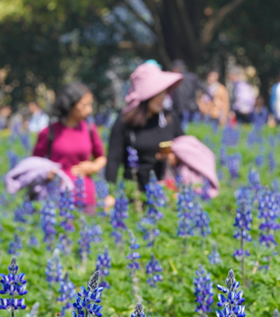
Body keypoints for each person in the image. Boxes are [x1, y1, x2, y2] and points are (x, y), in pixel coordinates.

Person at [105, 62, 184, 196]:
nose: (163, 98)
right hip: (135, 194)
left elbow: (183, 148)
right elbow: (113, 161)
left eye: (165, 92)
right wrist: (109, 194)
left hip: (166, 193)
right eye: (158, 93)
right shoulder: (125, 122)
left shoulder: (169, 119)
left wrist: (173, 157)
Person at [33, 82, 106, 210]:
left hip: (86, 197)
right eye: (84, 105)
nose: (89, 110)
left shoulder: (90, 129)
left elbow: (101, 157)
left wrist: (93, 167)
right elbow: (34, 163)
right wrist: (46, 173)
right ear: (70, 105)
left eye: (90, 104)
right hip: (56, 197)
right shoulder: (49, 131)